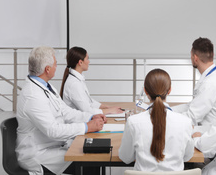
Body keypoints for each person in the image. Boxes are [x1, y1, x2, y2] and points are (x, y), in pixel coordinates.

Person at [16, 46, 106, 175]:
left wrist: (90, 117)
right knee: (90, 161)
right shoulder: (32, 95)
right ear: (47, 69)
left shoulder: (46, 86)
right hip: (38, 154)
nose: (57, 67)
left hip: (54, 145)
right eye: (55, 64)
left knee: (93, 157)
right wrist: (86, 127)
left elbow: (65, 111)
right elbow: (53, 130)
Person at [119, 69, 194, 172]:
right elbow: (187, 157)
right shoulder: (185, 122)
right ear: (169, 90)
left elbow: (126, 158)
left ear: (145, 91)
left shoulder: (133, 122)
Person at [172, 37, 216, 133]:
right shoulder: (214, 75)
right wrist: (168, 109)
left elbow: (192, 116)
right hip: (208, 129)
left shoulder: (210, 83)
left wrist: (165, 117)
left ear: (195, 58)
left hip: (210, 133)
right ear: (212, 55)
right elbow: (192, 105)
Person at [59, 46, 123, 115]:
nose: (89, 61)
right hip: (77, 123)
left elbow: (88, 101)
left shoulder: (77, 79)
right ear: (80, 62)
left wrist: (106, 107)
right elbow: (87, 111)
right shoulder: (74, 84)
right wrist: (109, 111)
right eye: (87, 59)